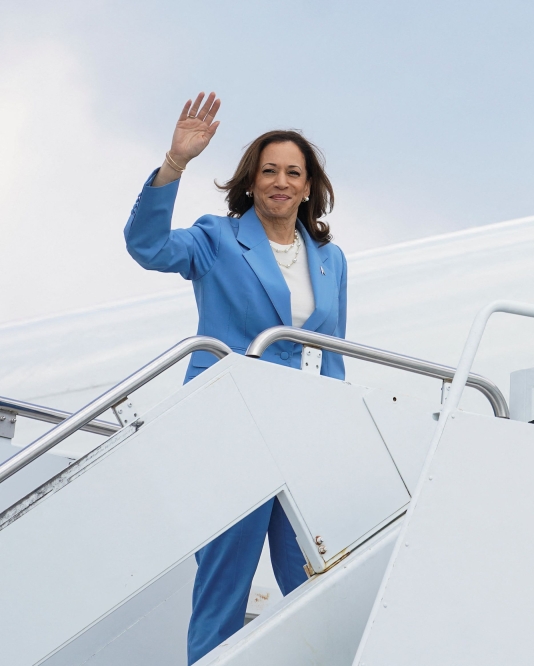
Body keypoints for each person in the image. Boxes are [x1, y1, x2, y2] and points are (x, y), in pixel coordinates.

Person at [123, 92, 348, 664]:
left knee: (314, 577)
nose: (280, 181)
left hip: (300, 434)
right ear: (250, 181)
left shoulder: (331, 257)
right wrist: (174, 165)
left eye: (292, 172)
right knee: (225, 586)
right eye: (269, 171)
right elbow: (147, 247)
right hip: (232, 431)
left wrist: (338, 429)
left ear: (307, 185)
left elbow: (333, 351)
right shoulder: (218, 238)